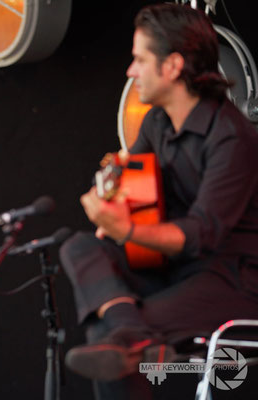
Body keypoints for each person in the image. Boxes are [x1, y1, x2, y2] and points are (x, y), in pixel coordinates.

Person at [60, 3, 258, 398]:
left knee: (105, 334)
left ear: (172, 66)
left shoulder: (232, 138)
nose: (130, 71)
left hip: (233, 281)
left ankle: (126, 332)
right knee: (79, 246)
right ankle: (129, 331)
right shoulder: (155, 123)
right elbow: (134, 184)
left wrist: (128, 229)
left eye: (139, 59)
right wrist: (110, 195)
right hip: (172, 268)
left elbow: (202, 234)